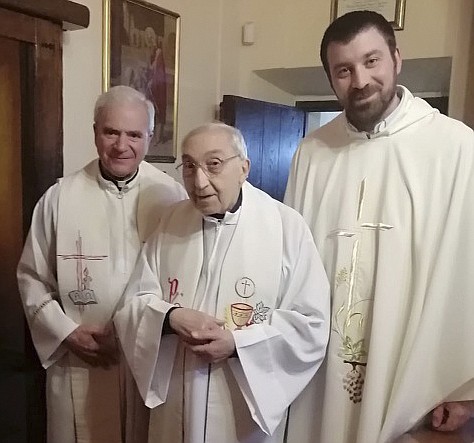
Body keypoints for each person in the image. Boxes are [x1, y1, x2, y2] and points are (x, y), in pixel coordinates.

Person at [284, 10, 474, 443]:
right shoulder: (312, 152)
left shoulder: (456, 147)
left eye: (372, 62)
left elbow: (468, 272)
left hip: (413, 375)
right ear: (331, 79)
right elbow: (291, 266)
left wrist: (464, 390)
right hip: (323, 375)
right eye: (344, 70)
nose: (360, 80)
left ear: (396, 59)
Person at [114, 122, 330, 443]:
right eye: (189, 166)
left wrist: (238, 346)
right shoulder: (172, 221)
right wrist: (171, 318)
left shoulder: (286, 228)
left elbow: (310, 325)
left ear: (243, 168)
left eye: (213, 165)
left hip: (240, 408)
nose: (199, 182)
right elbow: (133, 304)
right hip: (177, 397)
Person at [17, 85, 187, 443]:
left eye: (134, 134)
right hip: (80, 358)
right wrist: (66, 332)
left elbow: (184, 278)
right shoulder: (60, 198)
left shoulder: (172, 198)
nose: (121, 145)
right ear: (95, 131)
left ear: (150, 137)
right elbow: (32, 277)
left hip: (145, 359)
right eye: (111, 132)